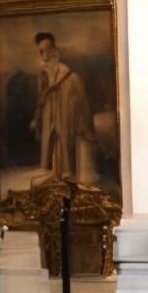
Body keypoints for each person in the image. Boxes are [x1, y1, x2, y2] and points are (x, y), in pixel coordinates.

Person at [30, 32, 97, 185]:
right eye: (41, 51)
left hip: (65, 118)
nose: (44, 55)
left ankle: (67, 176)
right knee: (52, 145)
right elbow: (42, 99)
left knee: (65, 143)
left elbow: (82, 101)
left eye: (47, 50)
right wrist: (37, 116)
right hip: (50, 117)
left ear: (54, 50)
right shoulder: (43, 75)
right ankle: (56, 174)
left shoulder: (69, 76)